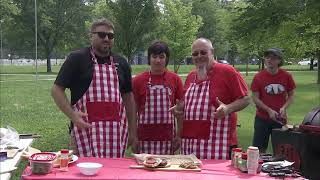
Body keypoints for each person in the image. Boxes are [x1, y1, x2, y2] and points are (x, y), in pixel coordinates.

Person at [51, 19, 137, 157]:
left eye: (110, 36)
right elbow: (56, 90)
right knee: (83, 173)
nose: (107, 38)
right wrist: (73, 115)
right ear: (91, 36)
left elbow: (128, 98)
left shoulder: (121, 63)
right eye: (102, 35)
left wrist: (132, 129)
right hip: (84, 131)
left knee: (114, 174)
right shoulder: (77, 59)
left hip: (115, 133)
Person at [171, 38, 250, 159]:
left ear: (212, 52)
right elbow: (187, 104)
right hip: (189, 147)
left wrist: (228, 108)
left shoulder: (227, 71)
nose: (199, 56)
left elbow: (245, 99)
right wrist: (179, 109)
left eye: (203, 52)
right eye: (195, 54)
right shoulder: (191, 76)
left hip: (219, 146)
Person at [132, 41, 184, 155]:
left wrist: (179, 135)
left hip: (167, 137)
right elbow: (133, 111)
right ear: (149, 59)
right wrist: (134, 137)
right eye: (154, 56)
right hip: (144, 138)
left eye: (161, 57)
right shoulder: (138, 80)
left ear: (166, 59)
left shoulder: (175, 79)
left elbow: (181, 110)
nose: (157, 60)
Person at [251, 48, 296, 153]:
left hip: (280, 119)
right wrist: (268, 110)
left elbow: (291, 96)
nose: (269, 60)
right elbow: (255, 98)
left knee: (282, 150)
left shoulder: (286, 76)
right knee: (258, 151)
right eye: (267, 57)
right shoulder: (258, 77)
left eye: (273, 58)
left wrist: (284, 108)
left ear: (279, 60)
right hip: (262, 119)